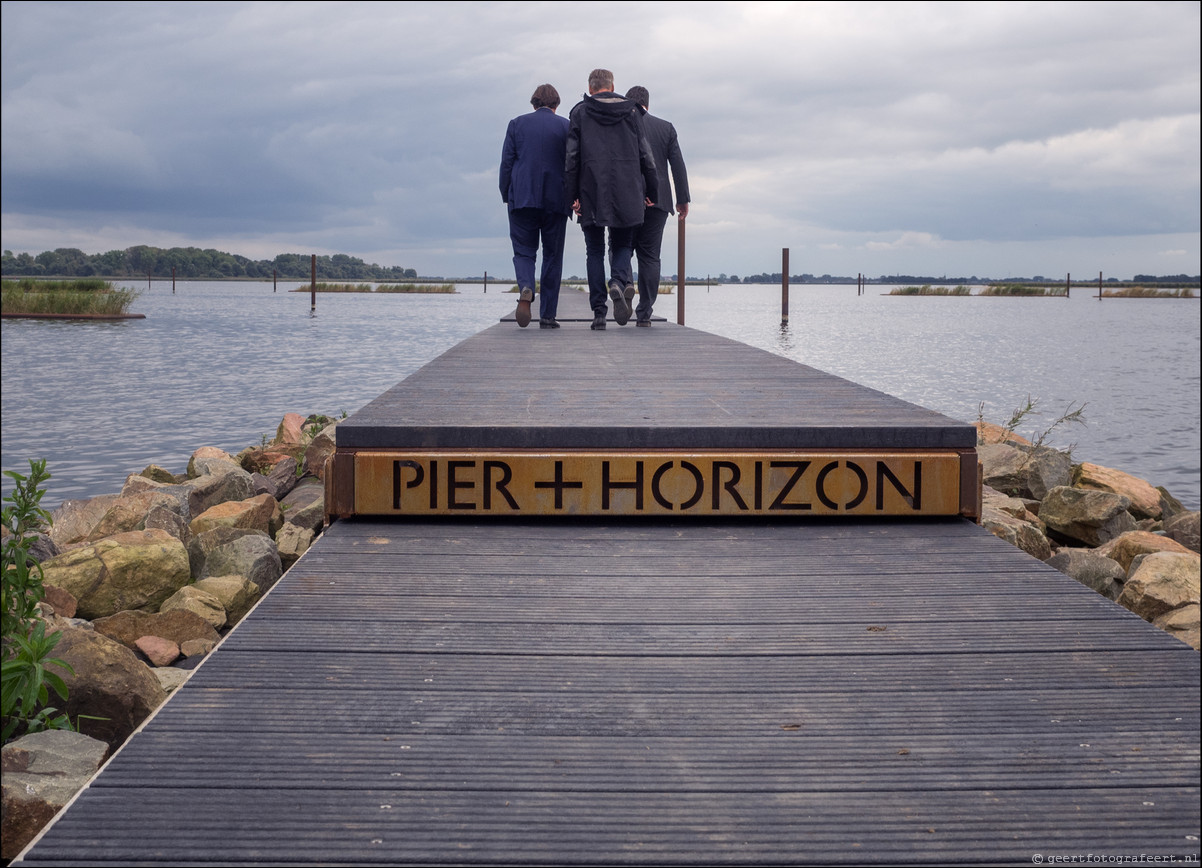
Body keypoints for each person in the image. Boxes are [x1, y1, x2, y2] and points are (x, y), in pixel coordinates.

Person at [564, 69, 658, 329]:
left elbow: (571, 159)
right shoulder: (631, 112)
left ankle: (598, 312)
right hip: (628, 189)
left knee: (593, 250)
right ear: (613, 86)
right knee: (622, 244)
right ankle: (617, 282)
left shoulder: (580, 112)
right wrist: (652, 190)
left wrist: (571, 196)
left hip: (590, 190)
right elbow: (646, 156)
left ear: (591, 88)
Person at [499, 83, 571, 328]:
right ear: (556, 105)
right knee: (552, 256)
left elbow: (507, 163)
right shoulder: (566, 126)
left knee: (524, 252)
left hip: (522, 198)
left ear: (533, 103)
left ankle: (527, 287)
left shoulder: (516, 124)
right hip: (556, 199)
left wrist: (506, 193)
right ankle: (548, 315)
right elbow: (572, 164)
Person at [625, 86, 690, 326]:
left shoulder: (621, 125)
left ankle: (626, 286)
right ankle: (644, 314)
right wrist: (682, 199)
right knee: (650, 256)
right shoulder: (666, 128)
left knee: (620, 248)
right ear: (647, 105)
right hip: (659, 200)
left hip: (627, 198)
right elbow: (677, 165)